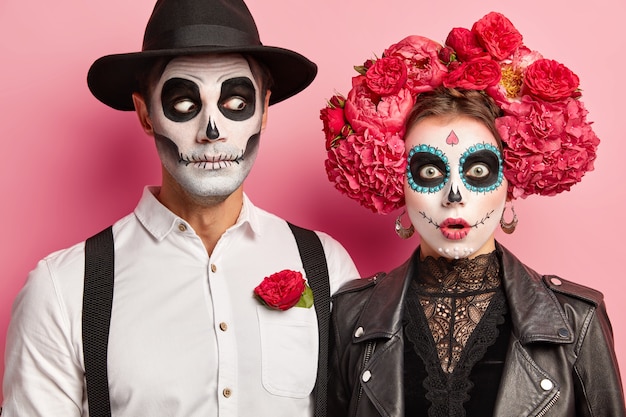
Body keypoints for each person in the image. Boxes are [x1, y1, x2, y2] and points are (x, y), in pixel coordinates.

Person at [2, 0, 358, 415]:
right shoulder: (63, 290)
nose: (212, 130)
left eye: (236, 102)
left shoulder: (326, 267)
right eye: (185, 103)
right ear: (145, 113)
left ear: (263, 110)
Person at [320, 12, 625, 416]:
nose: (454, 195)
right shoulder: (351, 315)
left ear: (510, 180)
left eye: (478, 171)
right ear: (398, 183)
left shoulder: (576, 320)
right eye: (429, 171)